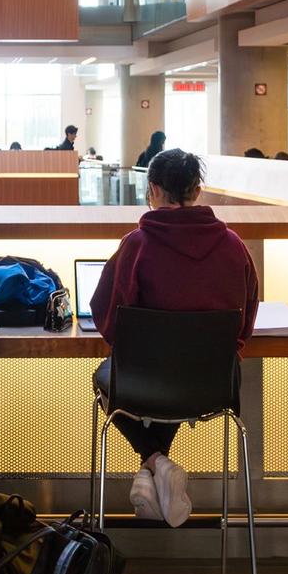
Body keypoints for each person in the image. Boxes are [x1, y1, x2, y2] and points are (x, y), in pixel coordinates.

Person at [89, 149, 258, 527]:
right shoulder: (234, 246)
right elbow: (243, 324)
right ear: (197, 191)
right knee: (178, 377)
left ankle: (154, 462)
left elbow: (109, 320)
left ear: (153, 190)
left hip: (146, 382)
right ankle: (154, 473)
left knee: (114, 378)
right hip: (214, 383)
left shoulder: (137, 244)